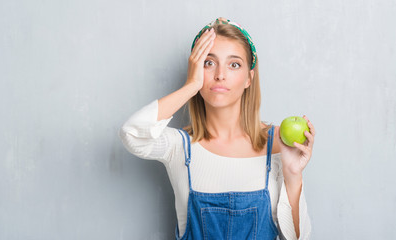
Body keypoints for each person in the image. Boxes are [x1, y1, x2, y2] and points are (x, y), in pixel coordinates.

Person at [120, 17, 315, 240]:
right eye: (208, 63)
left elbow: (300, 238)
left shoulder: (278, 144)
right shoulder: (179, 147)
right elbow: (131, 133)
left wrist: (292, 175)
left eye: (234, 64)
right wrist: (191, 86)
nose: (220, 75)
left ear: (248, 79)